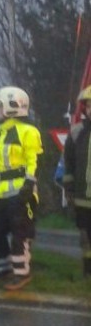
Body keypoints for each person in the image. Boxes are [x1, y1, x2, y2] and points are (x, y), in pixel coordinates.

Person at [0, 86, 42, 290]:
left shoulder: (28, 131)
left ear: (11, 106)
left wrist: (29, 184)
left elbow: (33, 160)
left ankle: (21, 273)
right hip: (0, 195)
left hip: (21, 194)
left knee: (20, 233)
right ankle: (1, 269)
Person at [63, 85, 91, 277]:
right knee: (85, 237)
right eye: (88, 106)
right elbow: (69, 164)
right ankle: (88, 270)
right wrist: (69, 189)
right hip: (83, 198)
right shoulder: (76, 133)